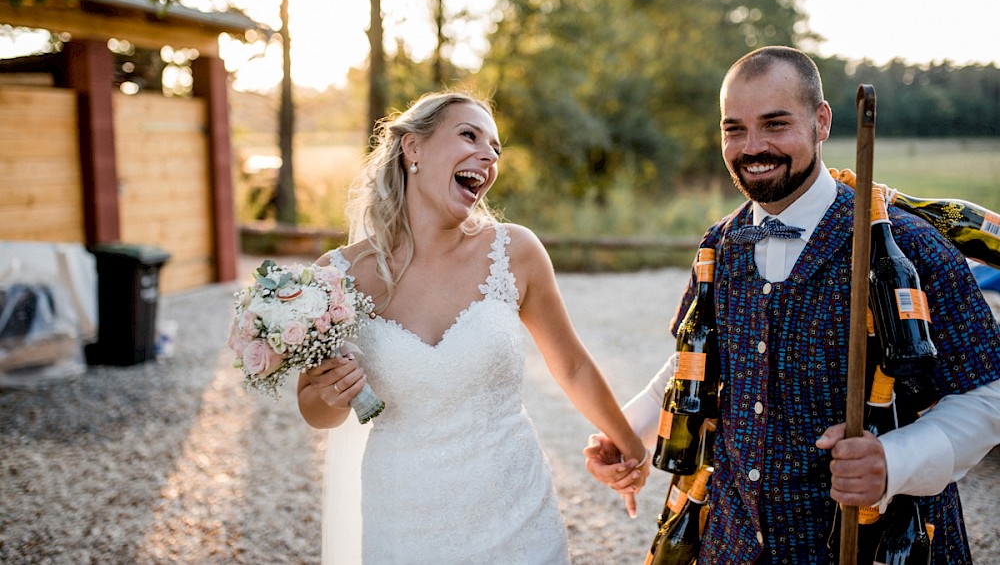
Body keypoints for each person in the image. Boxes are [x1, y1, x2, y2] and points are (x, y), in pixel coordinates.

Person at [584, 46, 1000, 563]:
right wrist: (628, 432)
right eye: (733, 129)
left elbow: (988, 392)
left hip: (877, 542)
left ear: (821, 122)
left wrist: (894, 460)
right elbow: (694, 360)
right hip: (731, 543)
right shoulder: (718, 247)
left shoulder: (908, 245)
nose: (752, 147)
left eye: (775, 124)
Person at [296, 91, 650, 564]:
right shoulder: (337, 275)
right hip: (402, 517)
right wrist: (329, 393)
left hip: (516, 513)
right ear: (413, 149)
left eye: (495, 148)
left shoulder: (516, 252)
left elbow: (573, 366)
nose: (487, 155)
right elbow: (316, 411)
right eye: (469, 135)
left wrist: (631, 448)